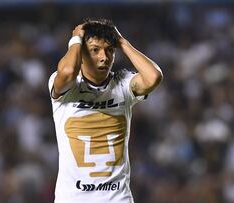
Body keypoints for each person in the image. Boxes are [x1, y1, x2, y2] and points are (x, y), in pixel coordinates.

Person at [48, 19, 163, 203]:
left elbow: (153, 77)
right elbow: (69, 70)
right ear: (82, 53)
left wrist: (123, 42)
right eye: (94, 50)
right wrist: (76, 40)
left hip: (116, 199)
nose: (104, 57)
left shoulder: (123, 84)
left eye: (110, 50)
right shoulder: (68, 87)